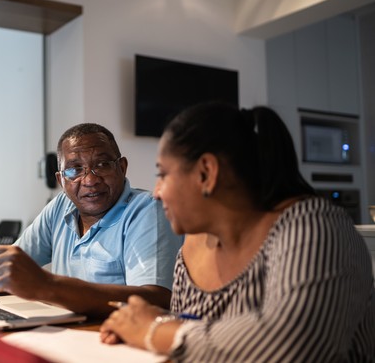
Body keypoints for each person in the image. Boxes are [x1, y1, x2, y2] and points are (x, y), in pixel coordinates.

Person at [100, 102, 375, 361]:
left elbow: (289, 345)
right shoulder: (193, 246)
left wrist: (154, 331)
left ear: (206, 173)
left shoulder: (316, 228)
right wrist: (138, 327)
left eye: (162, 174)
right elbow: (195, 343)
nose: (156, 193)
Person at [0, 123, 184, 318]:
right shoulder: (62, 206)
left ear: (122, 168)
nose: (90, 179)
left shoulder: (147, 210)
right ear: (61, 180)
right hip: (67, 333)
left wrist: (48, 286)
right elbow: (15, 272)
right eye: (75, 169)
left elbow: (157, 300)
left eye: (102, 165)